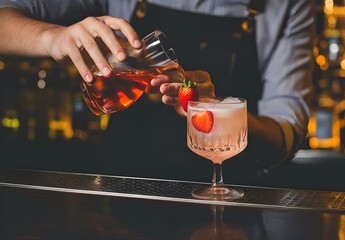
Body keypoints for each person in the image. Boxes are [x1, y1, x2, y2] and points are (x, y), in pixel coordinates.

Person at [0, 0, 314, 184]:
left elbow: (286, 135)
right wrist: (51, 38)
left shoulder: (288, 7)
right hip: (123, 189)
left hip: (233, 202)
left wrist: (220, 113)